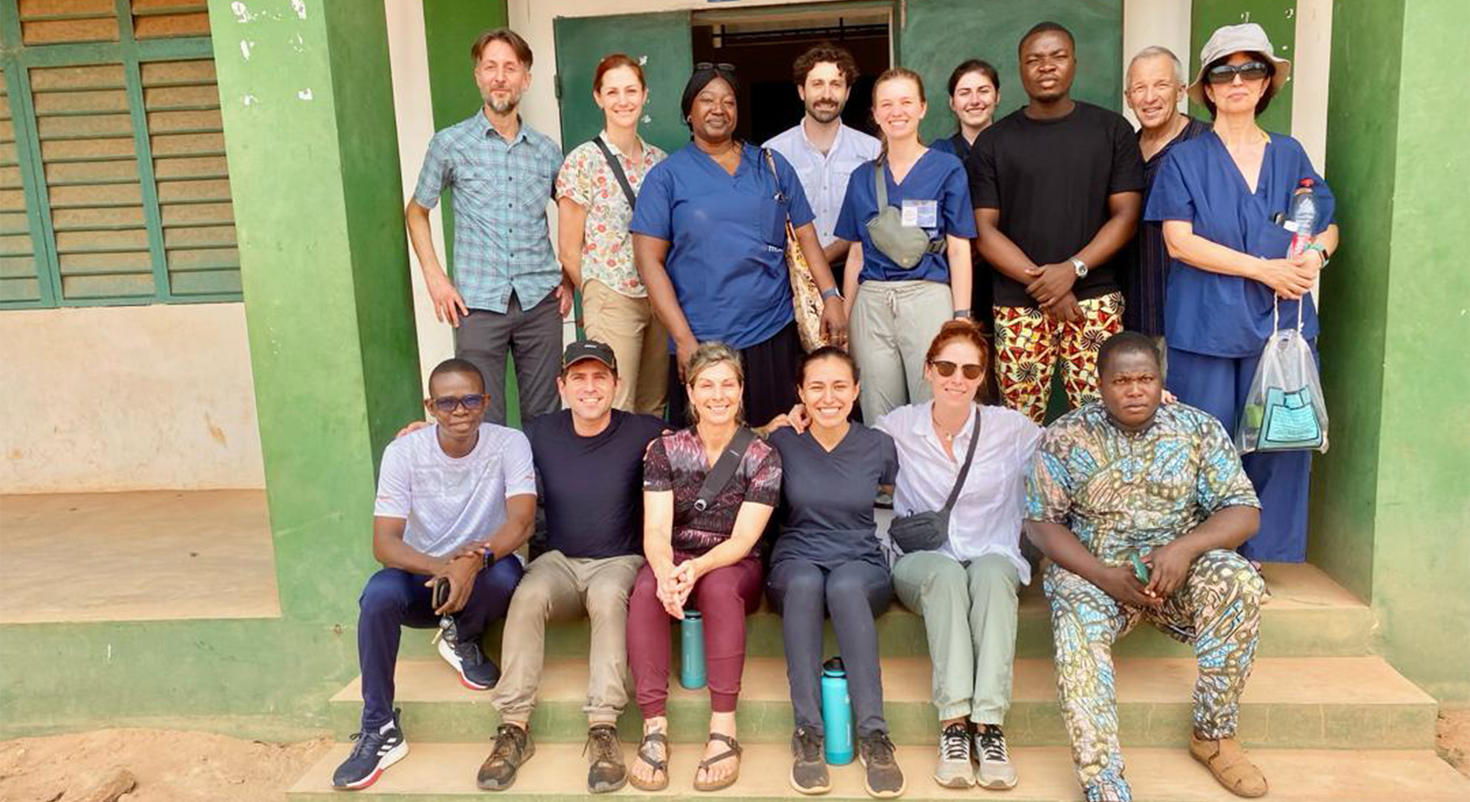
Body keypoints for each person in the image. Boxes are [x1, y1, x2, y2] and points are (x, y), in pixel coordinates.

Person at [1024, 331, 1269, 801]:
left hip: (1176, 578)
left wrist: (1185, 549)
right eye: (1122, 380)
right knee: (1075, 615)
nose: (1135, 389)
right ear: (1099, 384)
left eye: (1146, 378)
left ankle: (1213, 735)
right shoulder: (1066, 436)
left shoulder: (1197, 429)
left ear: (1161, 380)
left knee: (1237, 578)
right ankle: (1104, 780)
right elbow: (1041, 524)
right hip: (1097, 575)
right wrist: (1102, 575)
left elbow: (1244, 511)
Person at [1146, 23, 1339, 562]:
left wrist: (1315, 256)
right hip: (1206, 324)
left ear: (1265, 84)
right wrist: (1265, 270)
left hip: (1282, 324)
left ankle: (1262, 559)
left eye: (1251, 69)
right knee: (1205, 446)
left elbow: (1326, 222)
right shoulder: (1184, 160)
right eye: (1223, 72)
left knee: (1280, 440)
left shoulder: (1290, 154)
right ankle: (1208, 558)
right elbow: (1179, 243)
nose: (1238, 81)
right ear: (1207, 88)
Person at [332, 359, 533, 791]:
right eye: (447, 402)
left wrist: (472, 562)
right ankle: (379, 726)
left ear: (487, 401)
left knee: (508, 576)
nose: (460, 410)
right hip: (424, 575)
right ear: (431, 406)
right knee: (377, 595)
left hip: (482, 573)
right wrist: (445, 567)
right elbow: (384, 544)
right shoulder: (404, 452)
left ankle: (463, 633)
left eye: (470, 400)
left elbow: (521, 522)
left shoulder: (510, 443)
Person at [476, 341, 666, 794]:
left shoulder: (646, 430)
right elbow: (480, 448)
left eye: (600, 376)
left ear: (617, 384)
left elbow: (708, 438)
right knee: (529, 594)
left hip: (619, 558)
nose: (590, 387)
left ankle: (603, 728)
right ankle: (514, 727)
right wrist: (423, 432)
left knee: (608, 597)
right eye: (578, 377)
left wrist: (774, 424)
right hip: (558, 561)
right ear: (561, 385)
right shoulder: (539, 433)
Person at [632, 63, 848, 428]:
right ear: (689, 111)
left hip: (771, 334)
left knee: (779, 439)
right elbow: (648, 260)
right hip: (701, 341)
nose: (719, 109)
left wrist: (831, 296)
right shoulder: (666, 177)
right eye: (707, 100)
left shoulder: (770, 165)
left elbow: (807, 237)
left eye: (728, 101)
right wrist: (683, 338)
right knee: (706, 455)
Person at [877, 320, 1041, 790]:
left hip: (991, 550)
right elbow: (843, 444)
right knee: (947, 576)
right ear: (928, 370)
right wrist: (791, 420)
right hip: (923, 560)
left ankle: (988, 727)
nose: (957, 378)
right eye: (947, 366)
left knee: (992, 575)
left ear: (982, 377)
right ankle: (954, 725)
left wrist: (1149, 408)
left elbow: (1068, 443)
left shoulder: (1009, 429)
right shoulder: (898, 426)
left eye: (970, 370)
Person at [625, 343, 782, 792]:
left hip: (732, 561)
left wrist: (694, 569)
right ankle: (654, 727)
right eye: (707, 385)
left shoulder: (761, 456)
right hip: (674, 554)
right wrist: (665, 572)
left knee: (717, 589)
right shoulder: (664, 450)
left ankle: (723, 728)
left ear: (741, 390)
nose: (718, 395)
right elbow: (655, 530)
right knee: (644, 590)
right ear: (690, 393)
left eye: (727, 384)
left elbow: (743, 539)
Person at [969, 21, 1144, 423]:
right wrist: (1047, 286)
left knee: (1102, 418)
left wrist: (1072, 270)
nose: (1046, 66)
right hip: (1018, 304)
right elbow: (984, 230)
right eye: (1034, 59)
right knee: (1017, 423)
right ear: (1020, 68)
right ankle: (1026, 491)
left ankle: (1096, 490)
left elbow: (1126, 216)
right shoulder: (994, 142)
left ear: (1074, 64)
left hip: (1094, 299)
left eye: (1057, 57)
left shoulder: (1112, 130)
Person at [407, 29, 569, 426]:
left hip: (540, 302)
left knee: (545, 416)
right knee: (480, 413)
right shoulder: (450, 144)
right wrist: (436, 278)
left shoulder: (547, 150)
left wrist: (570, 273)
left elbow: (572, 213)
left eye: (510, 68)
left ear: (525, 78)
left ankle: (539, 491)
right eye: (491, 67)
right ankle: (495, 491)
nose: (500, 77)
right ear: (478, 75)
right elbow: (416, 211)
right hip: (477, 302)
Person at [764, 347, 904, 798]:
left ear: (857, 390)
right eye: (817, 387)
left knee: (844, 586)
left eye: (840, 385)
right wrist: (768, 426)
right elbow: (733, 451)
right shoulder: (783, 442)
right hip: (796, 558)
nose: (829, 397)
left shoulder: (878, 445)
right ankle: (808, 734)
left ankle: (874, 735)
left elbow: (901, 499)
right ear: (801, 393)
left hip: (860, 562)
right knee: (806, 583)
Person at [835, 68, 975, 422]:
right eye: (887, 104)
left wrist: (960, 318)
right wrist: (848, 320)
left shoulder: (947, 168)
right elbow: (855, 254)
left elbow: (959, 249)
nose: (896, 112)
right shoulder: (862, 177)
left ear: (923, 108)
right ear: (876, 114)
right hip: (873, 302)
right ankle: (887, 480)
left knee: (936, 405)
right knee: (880, 414)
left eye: (906, 102)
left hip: (927, 298)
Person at [556, 54, 670, 415]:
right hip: (611, 295)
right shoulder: (583, 161)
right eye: (613, 91)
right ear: (598, 97)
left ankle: (648, 474)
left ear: (645, 95)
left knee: (653, 404)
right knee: (615, 404)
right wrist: (596, 296)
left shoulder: (659, 161)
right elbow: (569, 250)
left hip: (657, 297)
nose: (623, 100)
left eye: (631, 90)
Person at [763, 43, 881, 289]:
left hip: (858, 273)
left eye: (836, 84)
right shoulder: (774, 152)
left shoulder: (873, 150)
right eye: (817, 84)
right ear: (801, 91)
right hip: (792, 278)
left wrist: (828, 256)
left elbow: (876, 221)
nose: (826, 94)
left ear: (847, 92)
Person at [1122, 45, 1210, 340]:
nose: (1149, 98)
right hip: (1133, 316)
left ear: (1181, 91)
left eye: (1161, 85)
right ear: (1128, 98)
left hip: (1196, 320)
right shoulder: (1123, 153)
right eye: (1139, 88)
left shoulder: (1209, 144)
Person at [931, 59, 1001, 164]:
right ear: (952, 103)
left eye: (983, 91)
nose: (975, 101)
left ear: (997, 97)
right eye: (964, 93)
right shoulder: (938, 154)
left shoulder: (1014, 148)